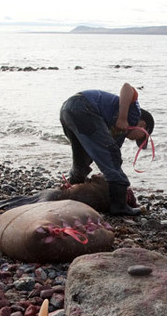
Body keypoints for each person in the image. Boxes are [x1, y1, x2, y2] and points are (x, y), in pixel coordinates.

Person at [59, 83, 155, 216]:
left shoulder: (119, 135)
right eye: (140, 138)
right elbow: (127, 88)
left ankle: (70, 190)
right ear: (143, 125)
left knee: (82, 160)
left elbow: (108, 155)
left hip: (68, 110)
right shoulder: (133, 113)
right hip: (83, 106)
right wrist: (122, 118)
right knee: (112, 155)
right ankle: (119, 207)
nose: (133, 140)